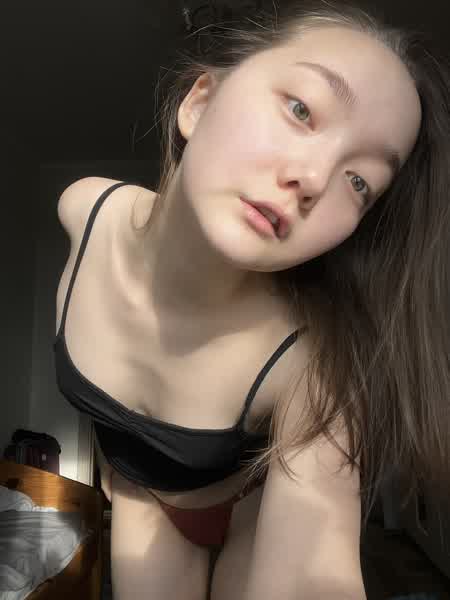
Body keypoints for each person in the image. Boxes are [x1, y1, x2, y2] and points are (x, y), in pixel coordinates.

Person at [53, 1, 450, 599]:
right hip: (142, 499)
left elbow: (315, 566)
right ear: (199, 102)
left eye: (360, 181)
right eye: (301, 109)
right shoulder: (83, 209)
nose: (314, 179)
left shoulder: (314, 363)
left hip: (250, 512)